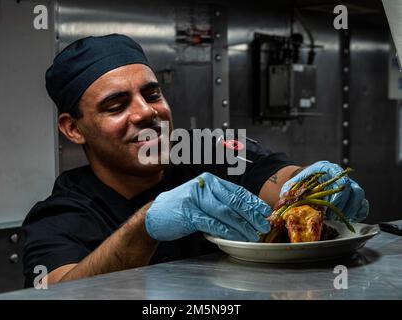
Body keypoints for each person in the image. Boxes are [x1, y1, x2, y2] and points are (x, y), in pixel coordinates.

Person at [23, 34, 369, 288]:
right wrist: (146, 225)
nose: (146, 112)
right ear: (73, 129)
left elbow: (279, 179)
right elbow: (60, 292)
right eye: (116, 105)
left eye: (152, 94)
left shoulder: (211, 155)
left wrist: (314, 183)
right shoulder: (60, 216)